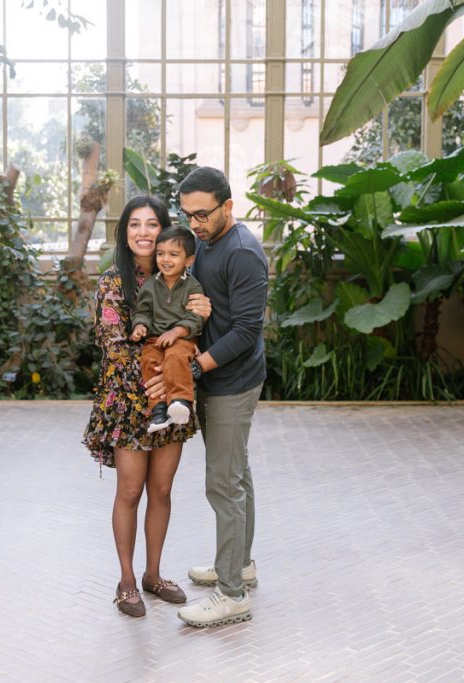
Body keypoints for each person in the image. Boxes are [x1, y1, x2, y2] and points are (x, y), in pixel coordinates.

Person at [82, 195, 211, 618]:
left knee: (161, 490)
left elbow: (196, 333)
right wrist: (156, 378)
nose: (143, 232)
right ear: (125, 232)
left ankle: (153, 574)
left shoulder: (182, 279)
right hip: (128, 399)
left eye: (151, 224)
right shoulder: (112, 283)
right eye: (134, 224)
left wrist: (201, 317)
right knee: (130, 490)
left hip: (169, 400)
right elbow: (115, 346)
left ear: (164, 230)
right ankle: (126, 580)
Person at [151, 167, 269, 628]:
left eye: (202, 214)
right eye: (188, 214)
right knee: (237, 473)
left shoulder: (243, 253)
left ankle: (232, 594)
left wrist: (194, 367)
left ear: (228, 206)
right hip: (215, 379)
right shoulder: (205, 243)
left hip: (233, 383)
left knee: (223, 484)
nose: (194, 224)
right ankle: (240, 565)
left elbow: (247, 330)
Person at [129, 226, 204, 434]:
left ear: (189, 260)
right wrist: (140, 325)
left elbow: (196, 317)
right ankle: (159, 411)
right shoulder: (150, 285)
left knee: (175, 357)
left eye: (173, 254)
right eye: (161, 254)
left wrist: (177, 332)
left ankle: (181, 401)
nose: (165, 259)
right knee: (149, 361)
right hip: (155, 339)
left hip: (182, 338)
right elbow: (142, 311)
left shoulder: (193, 287)